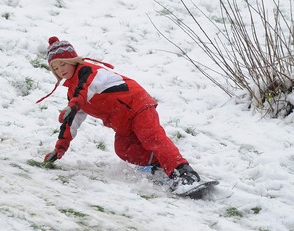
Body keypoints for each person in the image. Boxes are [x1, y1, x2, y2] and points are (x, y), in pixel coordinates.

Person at [38, 36, 200, 190]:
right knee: (124, 149)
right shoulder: (73, 92)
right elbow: (72, 122)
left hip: (137, 105)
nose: (60, 70)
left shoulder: (90, 71)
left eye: (63, 64)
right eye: (56, 69)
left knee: (152, 137)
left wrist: (73, 105)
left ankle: (184, 173)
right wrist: (60, 148)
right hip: (122, 122)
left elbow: (86, 88)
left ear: (72, 61)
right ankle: (162, 165)